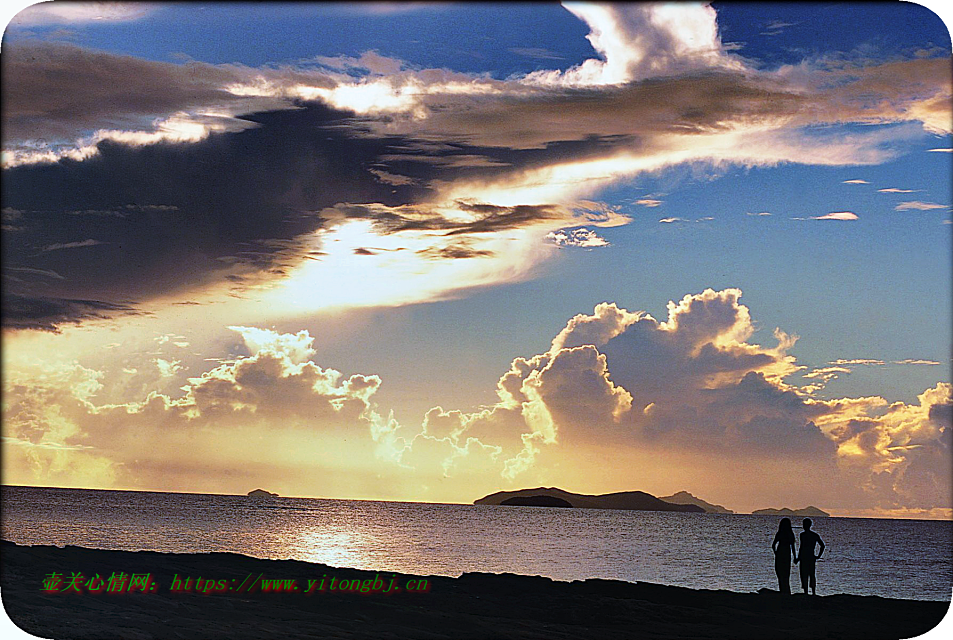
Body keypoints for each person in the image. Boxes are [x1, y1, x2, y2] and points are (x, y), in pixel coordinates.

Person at [795, 518, 825, 595]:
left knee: (807, 574)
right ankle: (810, 592)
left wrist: (818, 556)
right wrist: (818, 556)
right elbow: (822, 545)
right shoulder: (813, 535)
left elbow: (802, 547)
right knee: (809, 574)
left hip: (806, 557)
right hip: (809, 557)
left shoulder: (803, 535)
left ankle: (809, 592)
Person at [771, 518, 797, 594]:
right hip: (787, 554)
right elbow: (793, 547)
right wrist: (795, 557)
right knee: (786, 574)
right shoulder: (790, 534)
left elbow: (773, 545)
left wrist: (776, 553)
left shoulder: (779, 533)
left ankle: (782, 589)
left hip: (780, 554)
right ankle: (787, 590)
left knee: (779, 573)